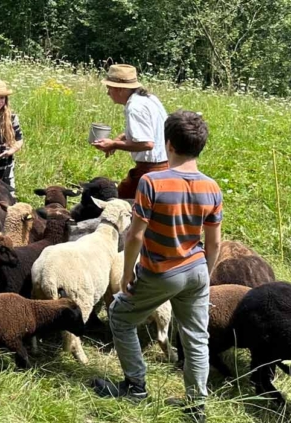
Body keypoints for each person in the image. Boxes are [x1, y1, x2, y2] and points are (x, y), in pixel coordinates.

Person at [92, 111, 221, 423]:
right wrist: (206, 275)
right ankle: (196, 407)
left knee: (122, 316)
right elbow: (214, 242)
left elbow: (135, 235)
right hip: (197, 270)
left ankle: (135, 386)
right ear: (200, 146)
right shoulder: (211, 187)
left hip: (160, 270)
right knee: (196, 337)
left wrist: (126, 274)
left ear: (169, 144)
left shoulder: (152, 182)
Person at [91, 64, 169, 199]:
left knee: (116, 202)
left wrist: (113, 145)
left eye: (109, 88)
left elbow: (147, 144)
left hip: (151, 170)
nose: (108, 93)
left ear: (120, 89)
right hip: (166, 164)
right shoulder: (148, 98)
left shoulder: (135, 107)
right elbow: (147, 129)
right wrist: (120, 138)